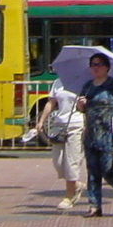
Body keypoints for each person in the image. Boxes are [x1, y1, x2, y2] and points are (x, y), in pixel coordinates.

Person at [76, 52, 113, 215]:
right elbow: (81, 109)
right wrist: (81, 104)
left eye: (99, 64)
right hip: (91, 133)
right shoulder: (88, 86)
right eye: (93, 65)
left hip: (109, 133)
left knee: (107, 169)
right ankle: (94, 206)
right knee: (92, 171)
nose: (95, 68)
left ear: (107, 68)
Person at [38, 76, 86, 209]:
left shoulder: (83, 82)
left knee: (72, 161)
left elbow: (86, 107)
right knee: (58, 163)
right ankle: (76, 185)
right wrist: (41, 121)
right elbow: (50, 103)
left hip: (77, 125)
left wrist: (83, 106)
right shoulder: (58, 82)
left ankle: (68, 196)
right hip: (59, 125)